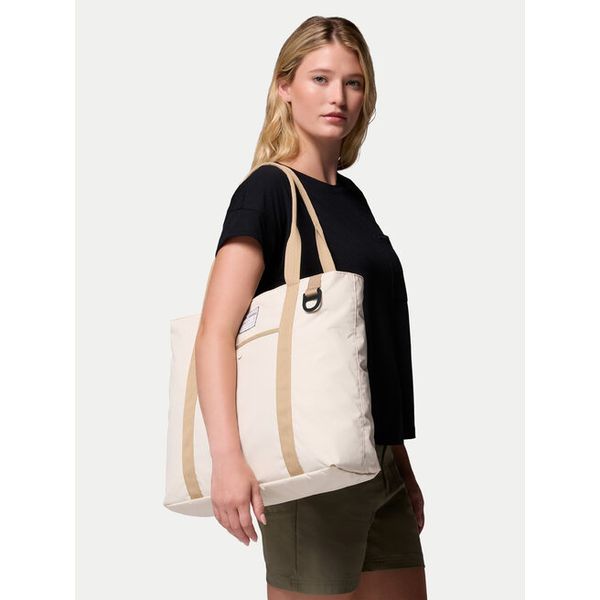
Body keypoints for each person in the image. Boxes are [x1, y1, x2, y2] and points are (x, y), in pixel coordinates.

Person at [195, 15, 427, 599]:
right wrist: (227, 459)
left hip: (379, 462)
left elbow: (360, 345)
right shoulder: (268, 192)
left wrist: (399, 460)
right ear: (285, 86)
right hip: (312, 468)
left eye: (353, 82)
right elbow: (215, 333)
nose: (338, 97)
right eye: (320, 79)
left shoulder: (351, 198)